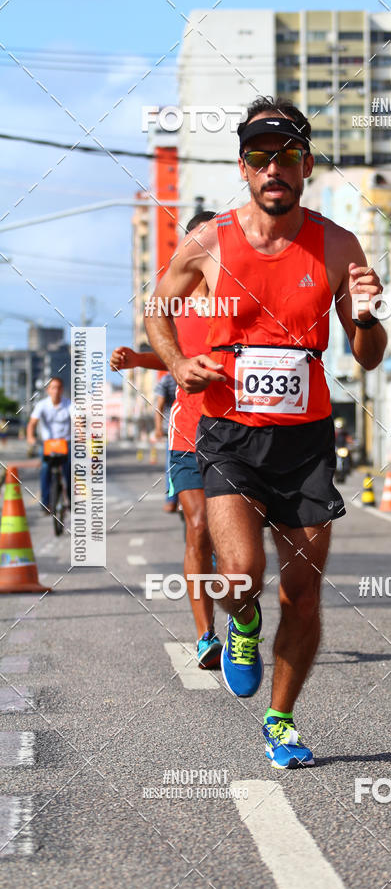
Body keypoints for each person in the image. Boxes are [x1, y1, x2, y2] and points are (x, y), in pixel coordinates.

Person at [145, 96, 387, 768]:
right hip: (229, 433)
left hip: (306, 442)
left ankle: (280, 722)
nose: (273, 168)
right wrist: (176, 362)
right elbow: (157, 309)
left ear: (306, 166)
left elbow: (368, 357)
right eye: (259, 156)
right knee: (241, 574)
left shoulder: (338, 246)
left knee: (302, 594)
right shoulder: (210, 242)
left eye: (286, 156)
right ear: (243, 167)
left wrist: (368, 317)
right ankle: (242, 619)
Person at [110, 212, 222, 668]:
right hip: (188, 434)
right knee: (199, 525)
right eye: (197, 241)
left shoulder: (238, 296)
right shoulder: (175, 300)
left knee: (235, 541)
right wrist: (139, 359)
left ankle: (240, 610)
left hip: (238, 434)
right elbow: (174, 356)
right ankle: (206, 635)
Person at [27, 377, 71, 514]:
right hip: (48, 444)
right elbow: (32, 423)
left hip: (65, 443)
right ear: (48, 390)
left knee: (68, 469)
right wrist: (31, 437)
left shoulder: (69, 404)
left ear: (62, 390)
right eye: (53, 387)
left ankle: (71, 500)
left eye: (58, 387)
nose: (56, 390)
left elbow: (79, 421)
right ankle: (45, 504)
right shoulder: (42, 405)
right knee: (45, 468)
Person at [154, 371, 178, 513]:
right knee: (171, 464)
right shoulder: (166, 380)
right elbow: (160, 406)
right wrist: (158, 428)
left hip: (191, 426)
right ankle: (171, 499)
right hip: (171, 428)